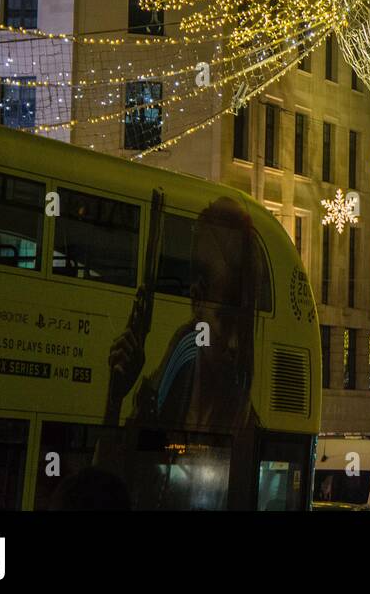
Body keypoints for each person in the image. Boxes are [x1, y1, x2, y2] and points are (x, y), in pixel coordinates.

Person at [102, 196, 263, 508]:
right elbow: (106, 488)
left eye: (241, 323)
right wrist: (114, 397)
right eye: (224, 318)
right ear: (197, 298)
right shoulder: (170, 378)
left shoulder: (245, 425)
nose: (233, 343)